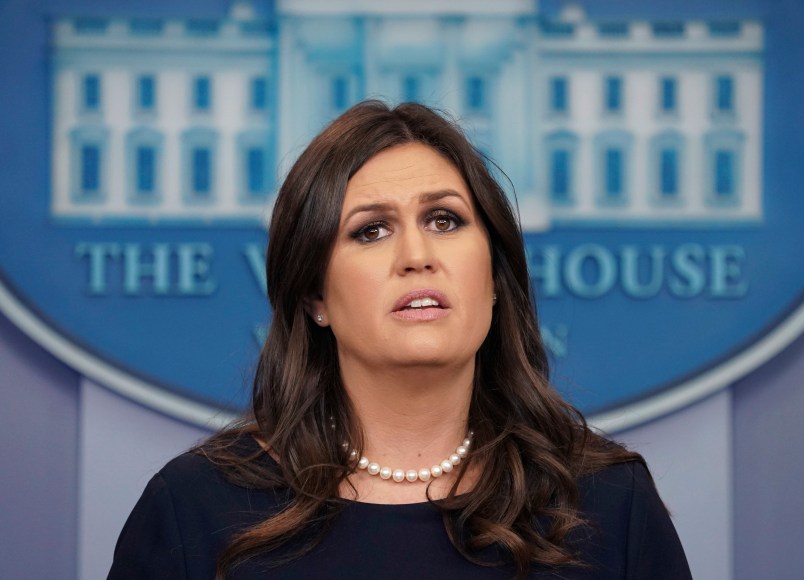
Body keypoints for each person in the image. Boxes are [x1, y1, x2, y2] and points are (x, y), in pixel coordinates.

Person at [108, 100, 692, 579]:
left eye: (445, 220)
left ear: (493, 276)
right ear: (315, 296)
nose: (417, 257)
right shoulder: (193, 508)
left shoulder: (610, 503)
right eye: (371, 230)